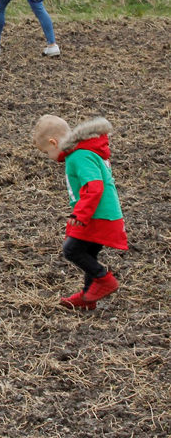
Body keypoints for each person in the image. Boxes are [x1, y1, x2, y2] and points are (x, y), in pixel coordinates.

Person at [32, 115, 127, 309]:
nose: (49, 157)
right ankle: (87, 298)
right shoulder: (81, 152)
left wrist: (80, 215)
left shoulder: (79, 156)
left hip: (97, 216)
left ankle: (104, 278)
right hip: (102, 214)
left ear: (54, 142)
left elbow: (94, 187)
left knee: (72, 249)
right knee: (87, 253)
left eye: (46, 152)